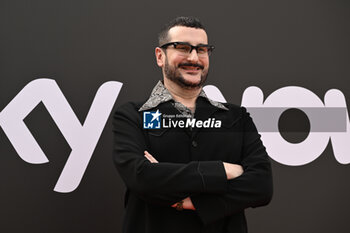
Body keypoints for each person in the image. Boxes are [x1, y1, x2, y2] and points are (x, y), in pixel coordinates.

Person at [113, 16, 273, 233]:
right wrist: (224, 170)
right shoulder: (132, 115)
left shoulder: (237, 117)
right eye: (183, 48)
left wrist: (192, 202)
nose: (194, 57)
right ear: (160, 56)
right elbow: (141, 178)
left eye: (202, 50)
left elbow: (261, 186)